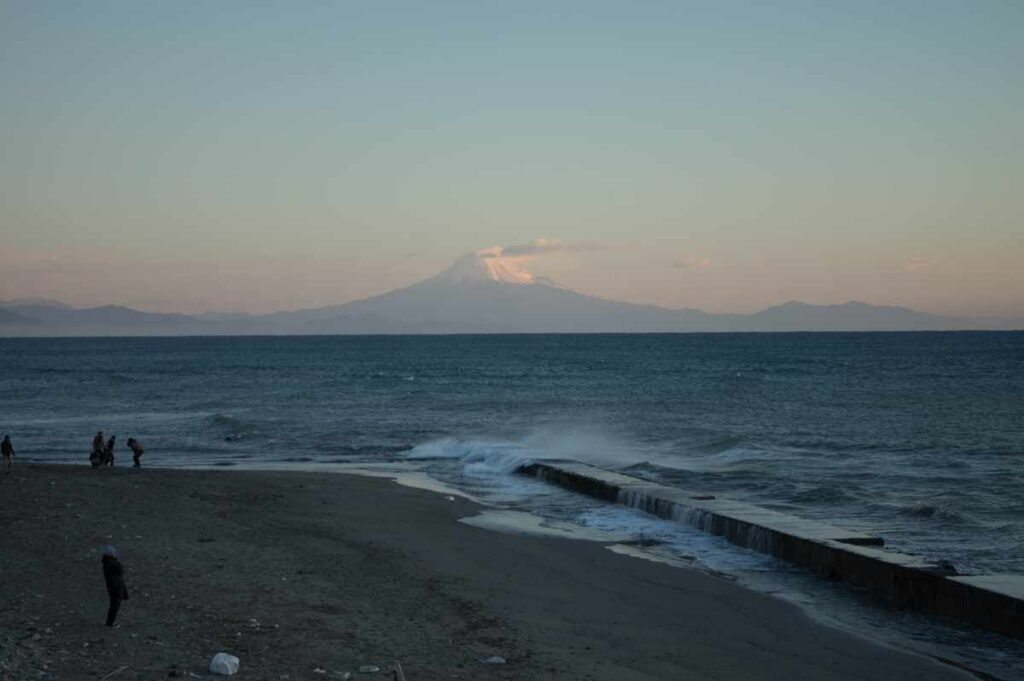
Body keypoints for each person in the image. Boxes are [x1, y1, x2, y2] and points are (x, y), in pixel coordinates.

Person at [101, 545, 129, 627]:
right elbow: (120, 571)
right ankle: (110, 623)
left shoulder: (106, 563)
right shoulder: (112, 563)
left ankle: (110, 622)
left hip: (113, 586)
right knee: (115, 605)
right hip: (116, 587)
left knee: (114, 604)